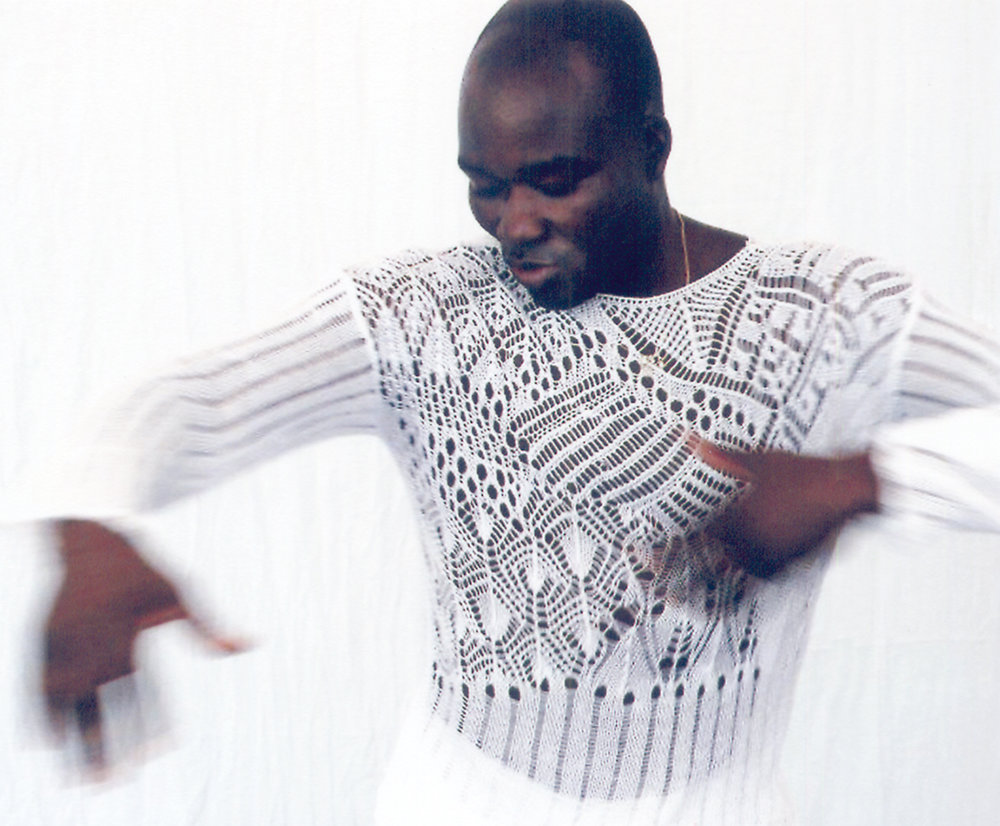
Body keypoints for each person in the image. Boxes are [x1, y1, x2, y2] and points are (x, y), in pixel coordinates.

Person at [27, 0, 1000, 824]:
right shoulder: (421, 314)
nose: (516, 223)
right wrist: (89, 526)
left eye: (556, 179)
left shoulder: (827, 312)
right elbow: (186, 392)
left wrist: (864, 480)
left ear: (653, 146)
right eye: (485, 187)